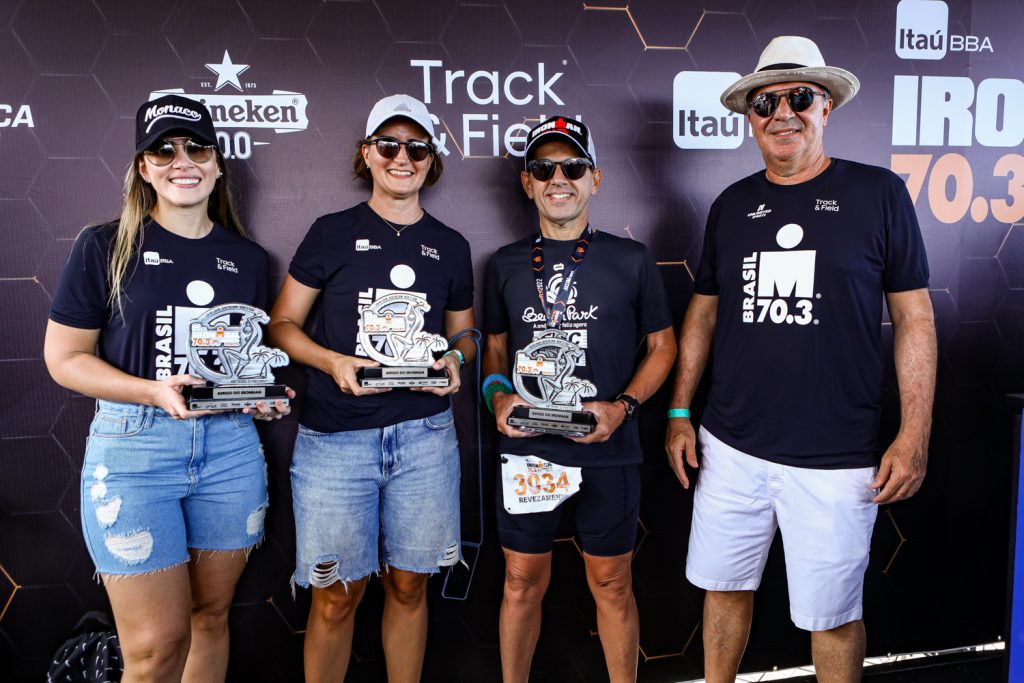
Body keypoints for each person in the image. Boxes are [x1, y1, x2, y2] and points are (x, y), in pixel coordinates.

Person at [664, 36, 937, 682]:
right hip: (730, 448)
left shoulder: (880, 194)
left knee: (833, 616)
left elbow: (915, 318)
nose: (782, 113)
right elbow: (703, 312)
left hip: (838, 458)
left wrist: (915, 433)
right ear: (749, 117)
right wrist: (678, 410)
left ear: (826, 106)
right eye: (765, 102)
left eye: (799, 98)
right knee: (723, 589)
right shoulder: (732, 204)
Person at [44, 94, 292, 682]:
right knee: (155, 649)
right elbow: (65, 358)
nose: (183, 161)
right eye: (163, 150)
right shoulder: (104, 245)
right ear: (143, 167)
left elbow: (236, 364)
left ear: (218, 163)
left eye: (197, 148)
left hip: (230, 451)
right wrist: (152, 391)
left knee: (210, 618)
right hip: (135, 450)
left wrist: (255, 396)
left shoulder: (247, 258)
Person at [267, 94, 475, 683]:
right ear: (367, 153)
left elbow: (463, 337)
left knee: (409, 587)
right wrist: (332, 361)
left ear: (432, 160)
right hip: (336, 441)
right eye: (388, 145)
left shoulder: (451, 244)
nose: (402, 158)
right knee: (337, 597)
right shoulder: (331, 232)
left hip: (424, 438)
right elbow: (281, 326)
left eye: (416, 148)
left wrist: (455, 360)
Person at [482, 116, 676, 683]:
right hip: (529, 451)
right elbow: (494, 348)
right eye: (543, 169)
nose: (558, 179)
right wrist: (498, 399)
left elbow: (663, 347)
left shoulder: (632, 258)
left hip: (608, 448)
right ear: (527, 183)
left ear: (596, 178)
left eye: (572, 167)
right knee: (520, 581)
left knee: (612, 583)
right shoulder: (505, 262)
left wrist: (623, 408)